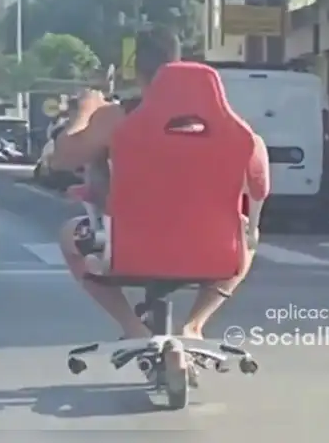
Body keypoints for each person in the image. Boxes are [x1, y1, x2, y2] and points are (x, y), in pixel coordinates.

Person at [50, 25, 268, 341]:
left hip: (129, 247)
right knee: (250, 237)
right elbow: (259, 180)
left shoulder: (118, 118)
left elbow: (63, 158)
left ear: (138, 71)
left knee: (69, 236)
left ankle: (133, 328)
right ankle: (194, 325)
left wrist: (83, 112)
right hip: (213, 249)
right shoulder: (228, 124)